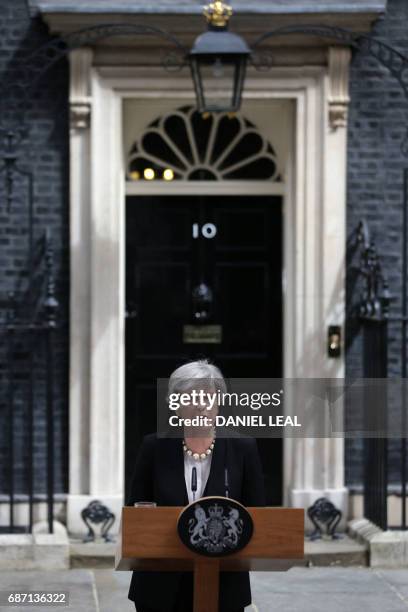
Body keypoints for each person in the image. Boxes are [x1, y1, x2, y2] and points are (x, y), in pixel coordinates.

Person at [127, 359, 266, 612]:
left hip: (224, 580)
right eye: (190, 397)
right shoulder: (154, 446)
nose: (201, 405)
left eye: (207, 397)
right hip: (160, 584)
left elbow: (256, 514)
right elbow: (137, 509)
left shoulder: (243, 448)